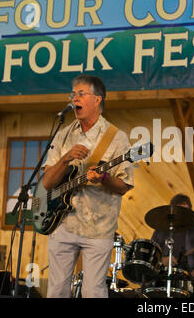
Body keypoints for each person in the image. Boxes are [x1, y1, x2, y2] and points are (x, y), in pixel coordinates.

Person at [42, 74, 134, 298]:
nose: (75, 99)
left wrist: (102, 178)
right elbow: (46, 183)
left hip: (98, 226)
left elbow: (124, 186)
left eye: (81, 94)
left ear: (98, 100)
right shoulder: (63, 134)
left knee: (93, 291)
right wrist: (65, 158)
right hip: (62, 222)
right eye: (73, 94)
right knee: (56, 291)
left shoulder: (116, 138)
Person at [151, 194, 194, 297]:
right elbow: (151, 258)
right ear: (172, 213)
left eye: (186, 212)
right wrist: (161, 260)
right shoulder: (160, 231)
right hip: (163, 281)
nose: (183, 215)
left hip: (191, 284)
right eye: (179, 211)